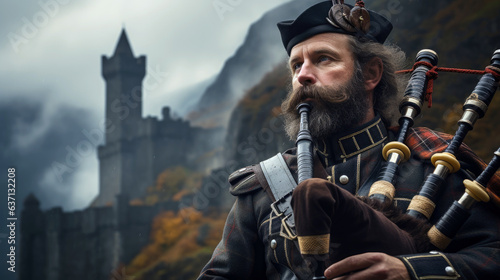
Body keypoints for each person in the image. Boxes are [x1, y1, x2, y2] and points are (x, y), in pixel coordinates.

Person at [197, 1, 500, 279]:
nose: (303, 76)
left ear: (370, 74)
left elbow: (493, 256)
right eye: (295, 65)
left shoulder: (435, 163)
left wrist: (412, 270)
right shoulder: (261, 189)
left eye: (323, 59)